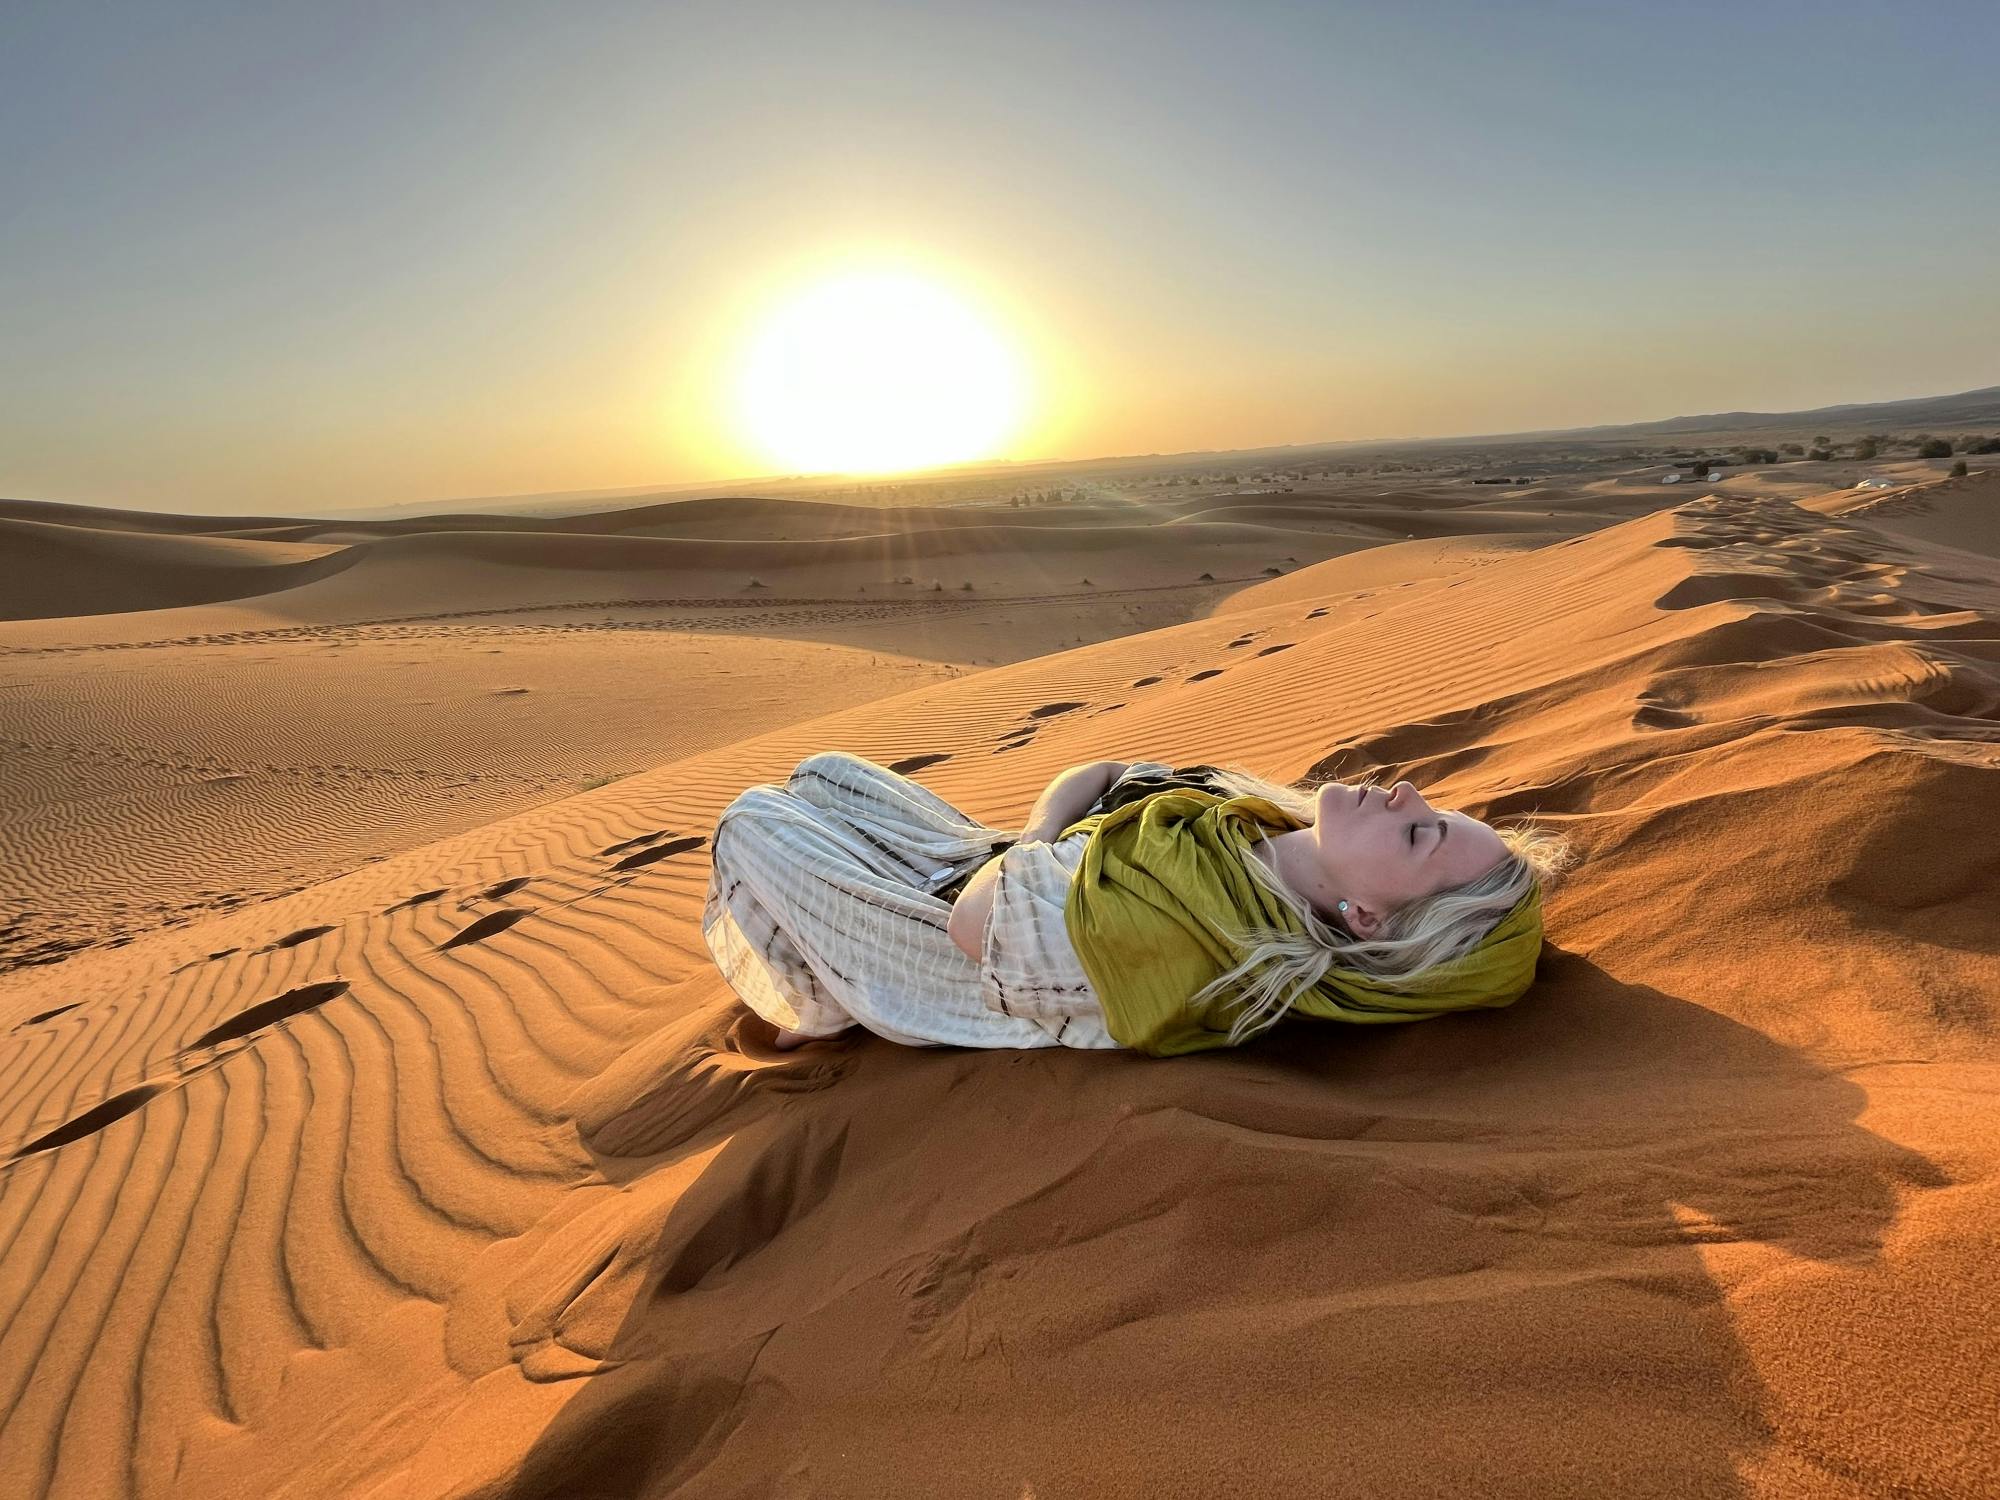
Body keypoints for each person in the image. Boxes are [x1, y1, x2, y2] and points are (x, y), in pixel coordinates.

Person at [701, 751, 1575, 1059]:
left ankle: (829, 1004)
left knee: (750, 821)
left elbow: (974, 929)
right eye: (1436, 812)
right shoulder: (1255, 819)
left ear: (1367, 920)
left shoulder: (1197, 931)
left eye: (1421, 837)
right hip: (994, 864)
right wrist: (1038, 841)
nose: (1411, 794)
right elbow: (1107, 775)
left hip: (927, 952)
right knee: (823, 772)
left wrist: (1042, 848)